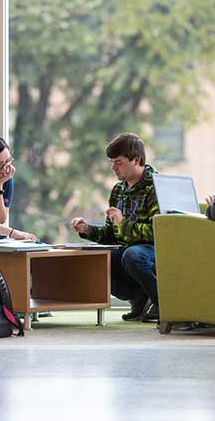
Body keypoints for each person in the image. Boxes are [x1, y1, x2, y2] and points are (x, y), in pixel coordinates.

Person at [70, 133, 160, 322]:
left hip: (154, 250)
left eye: (118, 162)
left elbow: (158, 233)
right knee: (97, 259)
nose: (113, 167)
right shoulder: (118, 190)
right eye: (112, 162)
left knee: (132, 255)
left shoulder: (156, 187)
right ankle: (139, 297)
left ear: (136, 160)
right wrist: (87, 230)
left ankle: (162, 303)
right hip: (130, 252)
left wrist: (124, 224)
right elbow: (111, 235)